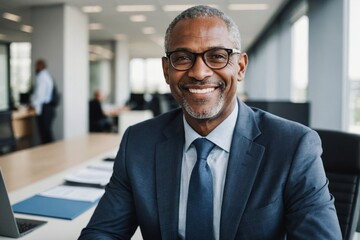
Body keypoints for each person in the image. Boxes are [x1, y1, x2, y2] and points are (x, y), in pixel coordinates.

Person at [79, 5, 342, 240]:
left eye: (217, 56)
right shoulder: (139, 142)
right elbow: (104, 231)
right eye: (182, 57)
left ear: (240, 67)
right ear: (166, 70)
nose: (199, 72)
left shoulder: (293, 146)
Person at [30, 59, 56, 144]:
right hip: (48, 109)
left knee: (45, 135)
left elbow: (40, 96)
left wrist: (32, 104)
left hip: (45, 109)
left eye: (36, 66)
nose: (35, 68)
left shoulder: (42, 77)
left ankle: (49, 154)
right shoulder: (46, 76)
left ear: (40, 66)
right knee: (47, 134)